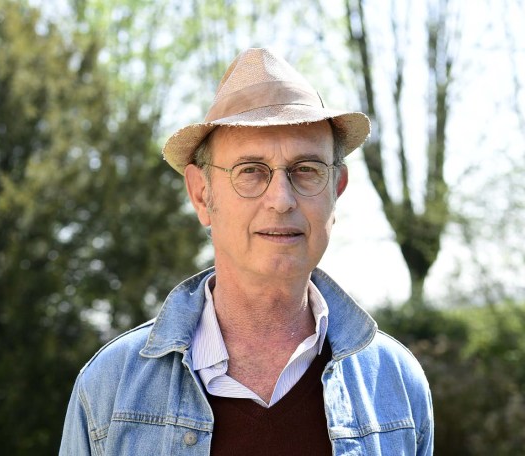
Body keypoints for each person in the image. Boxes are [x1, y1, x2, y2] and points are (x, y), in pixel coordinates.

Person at [59, 47, 434, 455]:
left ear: (335, 190)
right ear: (201, 195)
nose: (281, 199)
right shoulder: (110, 388)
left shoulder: (396, 386)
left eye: (306, 170)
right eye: (251, 171)